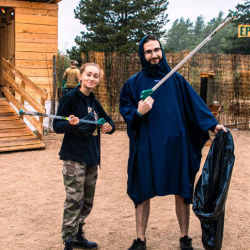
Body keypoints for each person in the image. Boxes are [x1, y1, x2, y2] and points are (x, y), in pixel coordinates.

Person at [119, 35, 227, 250]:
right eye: (148, 51)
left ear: (162, 51)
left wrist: (212, 125)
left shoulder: (175, 80)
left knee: (182, 189)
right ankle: (140, 239)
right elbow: (127, 110)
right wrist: (139, 112)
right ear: (143, 55)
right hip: (146, 148)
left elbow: (195, 105)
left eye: (156, 50)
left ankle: (184, 237)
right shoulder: (132, 84)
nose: (153, 55)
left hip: (176, 146)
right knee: (141, 190)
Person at [53, 62, 115, 250]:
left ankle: (78, 235)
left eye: (95, 76)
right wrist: (70, 124)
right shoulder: (70, 98)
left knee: (87, 201)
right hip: (74, 158)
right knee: (74, 199)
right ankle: (69, 241)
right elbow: (57, 126)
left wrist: (108, 126)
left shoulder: (94, 102)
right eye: (88, 74)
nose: (92, 79)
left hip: (91, 158)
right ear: (80, 76)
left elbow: (108, 120)